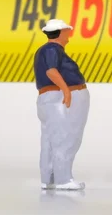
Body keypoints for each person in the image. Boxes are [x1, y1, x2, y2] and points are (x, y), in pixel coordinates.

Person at [33, 19, 90, 191]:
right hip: (59, 98)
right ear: (60, 32)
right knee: (65, 137)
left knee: (51, 139)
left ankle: (49, 178)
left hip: (52, 98)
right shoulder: (52, 49)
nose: (69, 34)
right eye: (67, 31)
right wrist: (66, 90)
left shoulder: (48, 50)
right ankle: (63, 179)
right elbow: (51, 71)